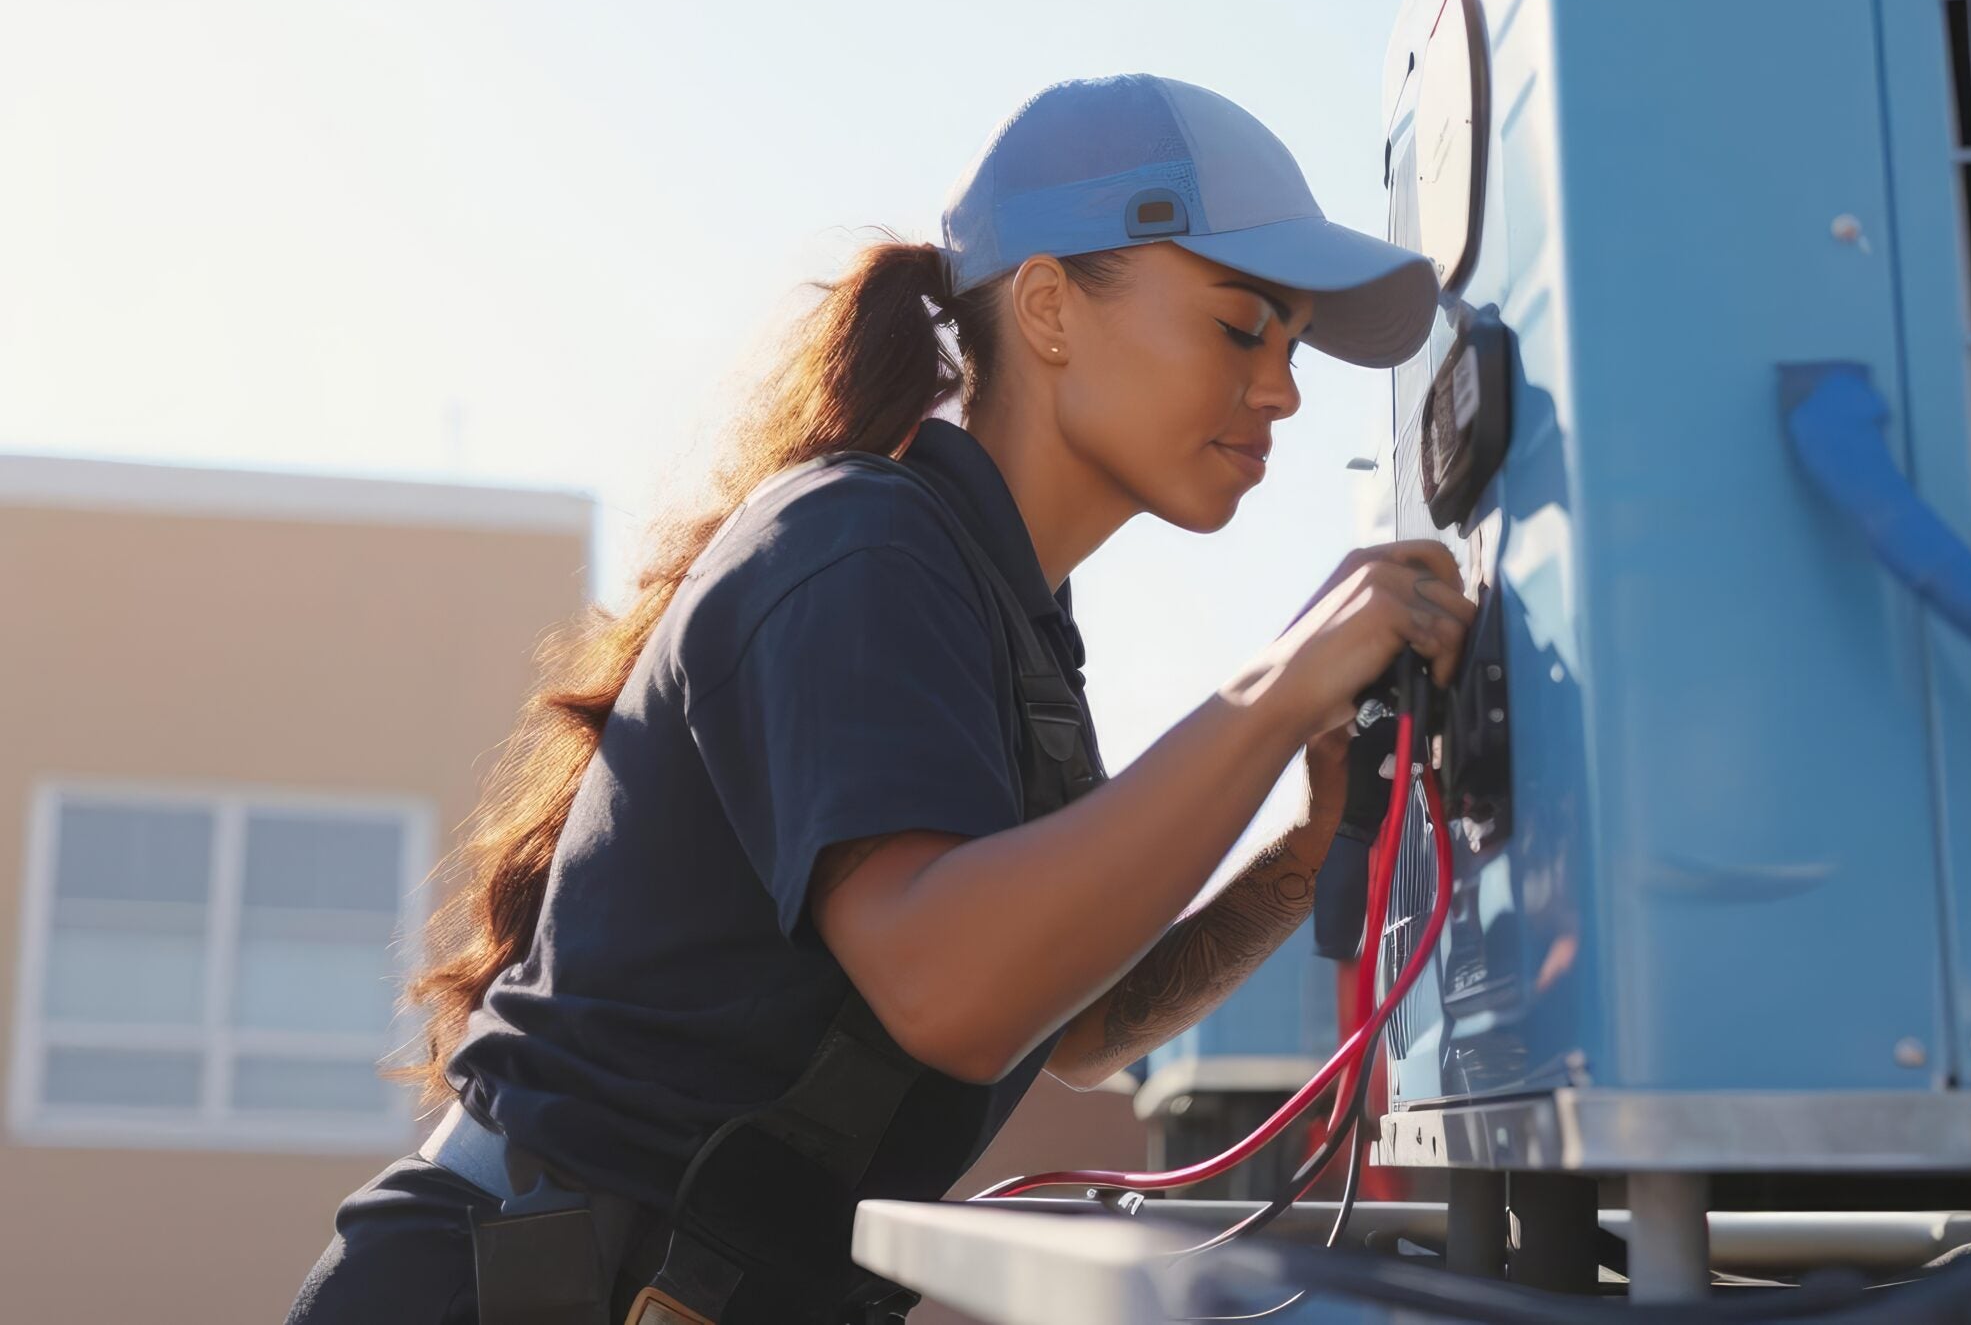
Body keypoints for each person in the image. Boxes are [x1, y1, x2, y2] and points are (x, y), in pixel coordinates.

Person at [285, 73, 1473, 1325]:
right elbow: (951, 990)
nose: (1282, 389)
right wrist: (1277, 690)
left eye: (1291, 347)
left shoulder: (1000, 611)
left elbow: (1073, 1021)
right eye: (1243, 327)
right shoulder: (861, 548)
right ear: (1052, 306)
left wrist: (1299, 849)